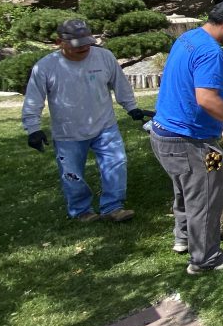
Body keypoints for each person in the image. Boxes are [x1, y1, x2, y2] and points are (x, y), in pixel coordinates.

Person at [149, 1, 223, 275]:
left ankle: (184, 239)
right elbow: (205, 99)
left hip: (164, 136)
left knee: (184, 190)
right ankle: (205, 259)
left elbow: (191, 82)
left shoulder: (189, 38)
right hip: (196, 143)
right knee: (207, 196)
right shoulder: (212, 53)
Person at [22, 19, 152, 222]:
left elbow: (120, 84)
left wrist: (131, 107)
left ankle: (113, 207)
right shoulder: (46, 67)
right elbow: (33, 99)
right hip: (68, 132)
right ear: (59, 42)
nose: (84, 48)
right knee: (72, 174)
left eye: (87, 42)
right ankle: (81, 210)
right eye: (77, 44)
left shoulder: (104, 57)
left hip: (105, 125)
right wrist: (33, 129)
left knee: (116, 164)